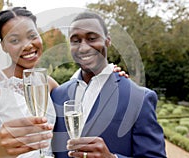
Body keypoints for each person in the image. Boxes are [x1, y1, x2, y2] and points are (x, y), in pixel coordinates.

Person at [0, 7, 127, 158]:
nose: (27, 45)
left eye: (32, 36)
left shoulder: (49, 84)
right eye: (15, 40)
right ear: (4, 46)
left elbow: (83, 95)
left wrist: (109, 76)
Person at [51, 11, 167, 158]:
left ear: (108, 41)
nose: (84, 47)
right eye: (75, 41)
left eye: (92, 38)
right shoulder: (57, 95)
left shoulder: (139, 98)